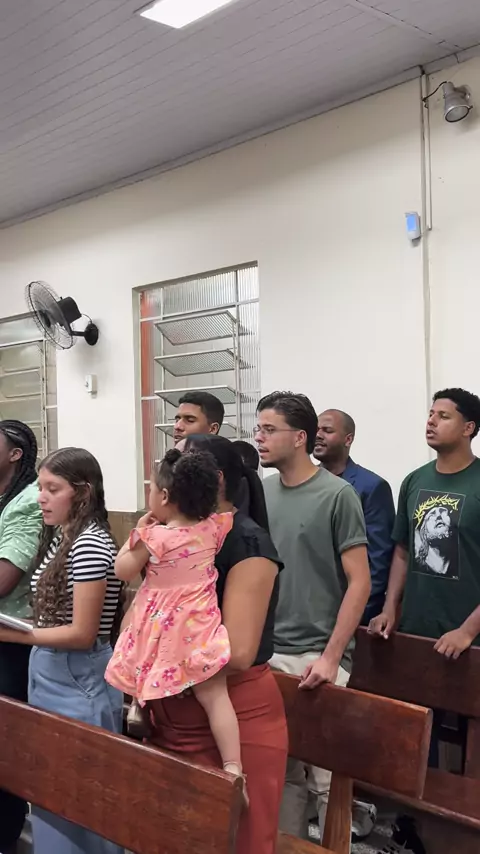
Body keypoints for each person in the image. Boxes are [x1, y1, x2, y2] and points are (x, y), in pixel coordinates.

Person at [147, 434, 287, 854]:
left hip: (236, 716)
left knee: (237, 843)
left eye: (182, 462)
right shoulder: (179, 534)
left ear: (217, 479)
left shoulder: (247, 542)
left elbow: (240, 653)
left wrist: (159, 661)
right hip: (175, 711)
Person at [256, 391, 371, 841]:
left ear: (300, 437)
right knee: (281, 773)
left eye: (270, 429)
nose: (260, 438)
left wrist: (331, 657)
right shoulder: (263, 492)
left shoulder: (338, 495)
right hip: (269, 653)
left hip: (316, 656)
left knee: (327, 783)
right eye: (258, 429)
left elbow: (359, 582)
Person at [0, 447, 124, 854]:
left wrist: (14, 635)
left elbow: (83, 633)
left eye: (53, 489)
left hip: (78, 677)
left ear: (82, 492)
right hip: (52, 671)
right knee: (53, 796)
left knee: (80, 802)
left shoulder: (90, 544)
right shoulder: (64, 537)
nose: (42, 498)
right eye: (41, 487)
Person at [106, 448, 247, 793]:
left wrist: (138, 532)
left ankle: (139, 706)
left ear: (165, 496)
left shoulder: (155, 537)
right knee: (215, 697)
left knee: (141, 655)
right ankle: (234, 766)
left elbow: (122, 570)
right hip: (198, 622)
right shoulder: (213, 528)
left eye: (151, 489)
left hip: (160, 622)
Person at [369, 388, 480, 754]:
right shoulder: (414, 481)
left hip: (469, 640)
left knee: (468, 749)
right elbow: (403, 550)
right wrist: (390, 608)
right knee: (417, 738)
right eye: (431, 414)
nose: (431, 421)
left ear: (468, 428)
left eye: (443, 416)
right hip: (416, 632)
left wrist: (467, 631)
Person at [0, 420, 43, 854]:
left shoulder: (27, 501)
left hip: (13, 640)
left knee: (7, 745)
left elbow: (5, 578)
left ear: (15, 454)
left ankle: (6, 836)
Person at [314, 409, 395, 623]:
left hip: (352, 612)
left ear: (348, 439)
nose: (318, 435)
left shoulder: (372, 487)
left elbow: (379, 558)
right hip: (309, 609)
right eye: (316, 429)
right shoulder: (304, 483)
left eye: (327, 430)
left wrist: (356, 612)